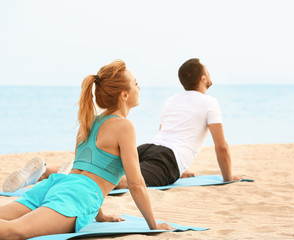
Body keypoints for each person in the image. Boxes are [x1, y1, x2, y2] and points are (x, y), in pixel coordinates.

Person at [3, 58, 241, 193]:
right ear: (202, 78)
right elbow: (222, 147)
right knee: (120, 180)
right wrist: (228, 177)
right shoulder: (210, 102)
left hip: (150, 148)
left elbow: (165, 133)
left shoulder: (172, 100)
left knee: (108, 167)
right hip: (168, 159)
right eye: (207, 72)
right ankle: (66, 172)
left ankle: (46, 169)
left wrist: (179, 169)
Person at [0, 60, 172, 239]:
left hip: (57, 184)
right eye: (136, 83)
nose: (139, 88)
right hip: (75, 196)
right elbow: (136, 184)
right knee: (15, 232)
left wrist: (100, 215)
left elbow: (87, 172)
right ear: (124, 95)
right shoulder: (124, 127)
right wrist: (153, 224)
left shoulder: (88, 122)